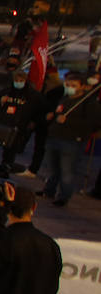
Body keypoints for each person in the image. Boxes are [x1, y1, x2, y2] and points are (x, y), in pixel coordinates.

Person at [38, 72, 101, 207]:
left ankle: (63, 196)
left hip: (72, 141)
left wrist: (69, 121)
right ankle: (49, 190)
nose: (69, 87)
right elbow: (58, 113)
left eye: (73, 85)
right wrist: (52, 116)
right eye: (67, 84)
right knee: (53, 167)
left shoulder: (88, 103)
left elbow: (92, 123)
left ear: (82, 86)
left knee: (67, 170)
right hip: (55, 137)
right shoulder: (65, 99)